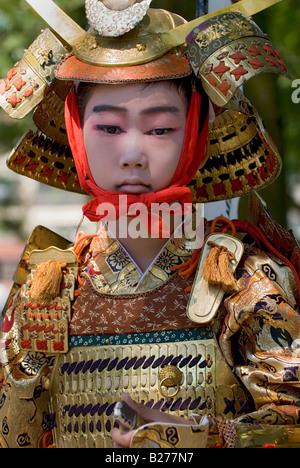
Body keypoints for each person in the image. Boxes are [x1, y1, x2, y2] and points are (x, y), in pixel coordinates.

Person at [0, 0, 299, 449]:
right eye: (109, 128)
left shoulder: (244, 280)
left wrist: (195, 436)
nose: (133, 154)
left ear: (197, 131)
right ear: (76, 131)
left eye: (159, 129)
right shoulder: (45, 287)